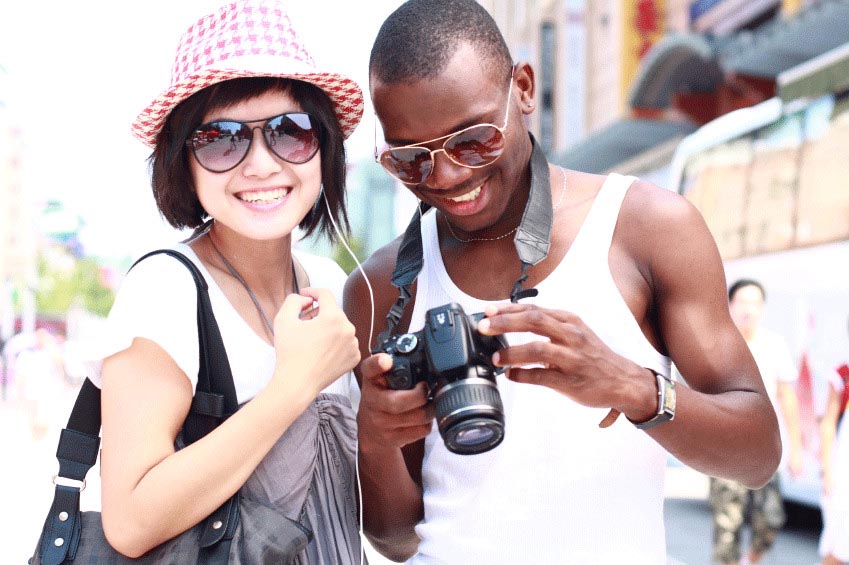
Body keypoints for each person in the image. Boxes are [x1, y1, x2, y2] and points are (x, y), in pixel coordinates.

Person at [342, 1, 782, 562]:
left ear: (523, 89)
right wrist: (376, 439)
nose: (449, 176)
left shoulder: (646, 227)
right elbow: (398, 539)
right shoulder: (380, 287)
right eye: (410, 160)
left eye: (473, 139)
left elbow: (758, 453)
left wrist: (632, 388)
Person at [88, 0, 364, 561]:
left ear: (324, 147)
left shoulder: (333, 284)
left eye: (291, 132)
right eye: (221, 139)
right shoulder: (168, 290)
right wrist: (294, 386)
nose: (261, 164)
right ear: (182, 162)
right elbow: (131, 521)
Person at [708, 279, 804, 565]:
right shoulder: (717, 344)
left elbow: (787, 396)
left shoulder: (775, 344)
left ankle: (752, 559)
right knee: (727, 527)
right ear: (730, 305)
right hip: (724, 450)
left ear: (763, 308)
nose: (748, 309)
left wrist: (796, 450)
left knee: (771, 519)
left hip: (764, 448)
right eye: (742, 302)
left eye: (755, 302)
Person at [819, 316, 849, 565]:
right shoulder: (843, 374)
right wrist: (827, 470)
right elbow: (828, 422)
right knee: (837, 548)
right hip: (843, 471)